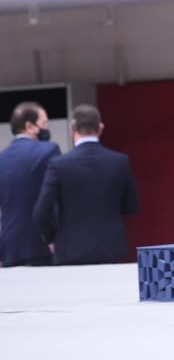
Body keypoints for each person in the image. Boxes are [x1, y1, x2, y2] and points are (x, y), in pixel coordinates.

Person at [31, 105, 139, 265]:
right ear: (100, 128)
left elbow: (41, 212)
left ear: (72, 129)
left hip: (70, 250)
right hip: (110, 249)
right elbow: (131, 206)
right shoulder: (120, 162)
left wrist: (52, 238)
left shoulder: (59, 165)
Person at [0, 102, 59, 267]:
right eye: (44, 123)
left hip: (10, 247)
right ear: (30, 126)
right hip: (42, 246)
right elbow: (53, 199)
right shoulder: (49, 150)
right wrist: (54, 237)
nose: (47, 128)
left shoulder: (2, 159)